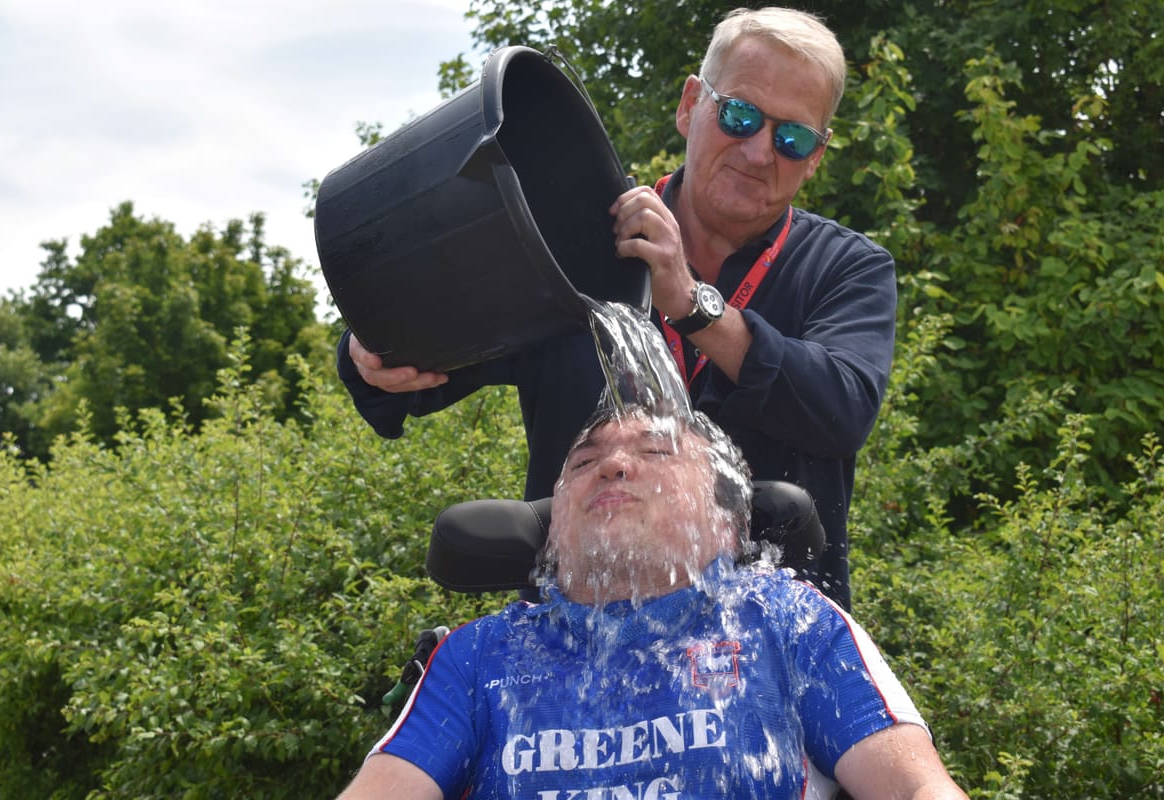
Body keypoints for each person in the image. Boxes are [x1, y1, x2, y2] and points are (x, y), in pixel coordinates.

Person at [337, 7, 895, 611]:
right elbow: (416, 368)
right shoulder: (573, 242)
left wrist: (691, 305)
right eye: (739, 115)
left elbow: (841, 409)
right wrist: (369, 348)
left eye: (792, 138)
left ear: (816, 156)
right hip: (583, 649)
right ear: (690, 106)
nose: (760, 152)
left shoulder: (848, 267)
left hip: (776, 649)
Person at [334, 407, 968, 800]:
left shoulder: (786, 619)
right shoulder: (480, 654)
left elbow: (914, 788)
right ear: (553, 530)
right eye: (583, 462)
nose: (612, 465)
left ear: (725, 521)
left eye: (655, 453)